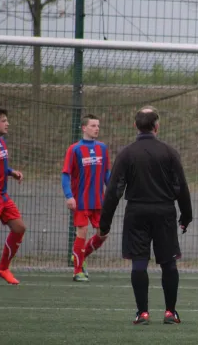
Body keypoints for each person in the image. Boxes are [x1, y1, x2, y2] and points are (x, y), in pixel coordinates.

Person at [99, 106, 193, 325]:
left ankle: (142, 313)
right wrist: (186, 216)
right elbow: (181, 187)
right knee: (168, 263)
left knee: (139, 263)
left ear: (135, 126)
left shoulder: (127, 153)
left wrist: (105, 224)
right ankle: (170, 312)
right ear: (156, 127)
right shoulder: (169, 152)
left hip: (137, 212)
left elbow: (114, 190)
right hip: (165, 212)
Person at [62, 114, 111, 282]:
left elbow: (107, 173)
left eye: (98, 125)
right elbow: (66, 175)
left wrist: (113, 190)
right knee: (82, 232)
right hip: (81, 200)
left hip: (99, 200)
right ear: (84, 128)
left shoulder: (103, 148)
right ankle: (77, 271)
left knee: (103, 234)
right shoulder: (74, 149)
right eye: (93, 125)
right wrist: (69, 196)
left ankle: (79, 258)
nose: (96, 128)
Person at [0, 107, 25, 286]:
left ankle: (2, 268)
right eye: (3, 120)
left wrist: (11, 172)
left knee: (19, 228)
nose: (7, 123)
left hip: (2, 195)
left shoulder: (1, 142)